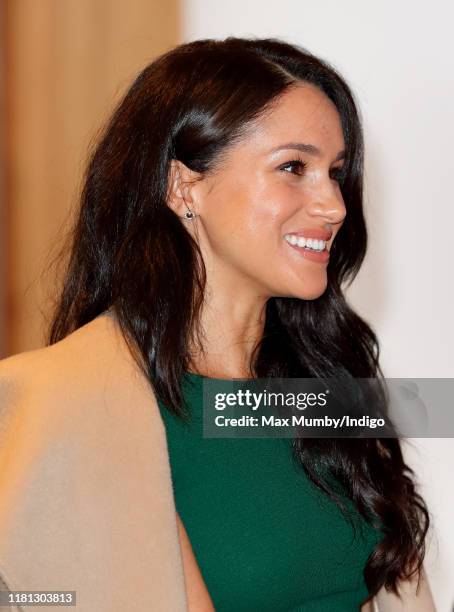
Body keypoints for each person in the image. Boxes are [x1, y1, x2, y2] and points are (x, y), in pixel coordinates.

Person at [0, 37, 435, 611]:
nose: (334, 204)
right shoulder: (51, 401)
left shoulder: (325, 390)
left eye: (335, 172)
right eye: (293, 167)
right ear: (185, 187)